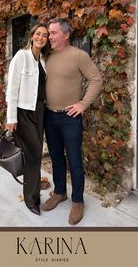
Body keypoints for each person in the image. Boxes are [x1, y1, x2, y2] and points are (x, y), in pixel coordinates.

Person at [42, 18, 103, 225]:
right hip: (49, 116)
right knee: (56, 157)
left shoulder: (79, 55)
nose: (49, 36)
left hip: (69, 118)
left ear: (66, 35)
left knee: (74, 160)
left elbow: (96, 79)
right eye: (49, 33)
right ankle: (60, 192)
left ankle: (78, 200)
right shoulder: (47, 56)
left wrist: (83, 105)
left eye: (53, 33)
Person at [5, 23, 49, 216]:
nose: (41, 37)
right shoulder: (21, 56)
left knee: (34, 153)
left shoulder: (45, 59)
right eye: (38, 34)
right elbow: (12, 89)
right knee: (34, 155)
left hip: (40, 111)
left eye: (45, 35)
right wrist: (11, 117)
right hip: (24, 113)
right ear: (31, 36)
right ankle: (31, 199)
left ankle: (32, 193)